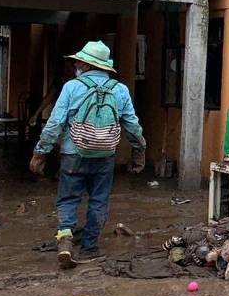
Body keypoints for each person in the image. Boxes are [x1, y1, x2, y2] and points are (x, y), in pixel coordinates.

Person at [29, 41, 146, 270]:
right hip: (105, 156)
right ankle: (90, 248)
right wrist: (139, 151)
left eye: (77, 62)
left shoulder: (72, 87)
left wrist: (40, 152)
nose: (74, 65)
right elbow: (132, 126)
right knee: (99, 201)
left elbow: (55, 123)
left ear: (84, 64)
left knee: (68, 199)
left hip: (73, 154)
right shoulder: (120, 90)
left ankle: (65, 240)